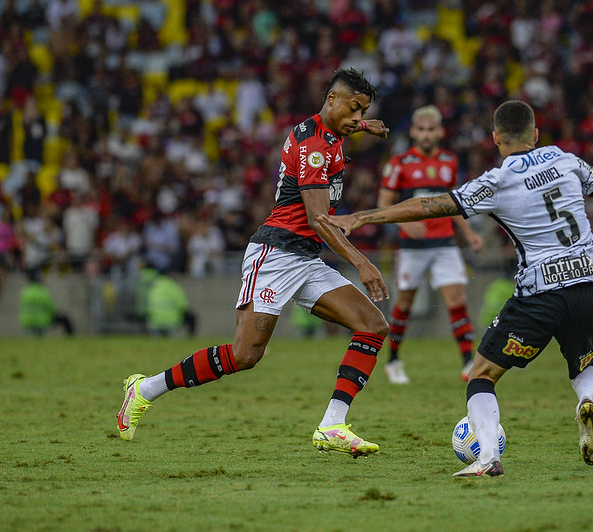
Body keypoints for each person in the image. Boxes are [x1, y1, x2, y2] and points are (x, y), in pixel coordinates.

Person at [320, 100, 593, 476]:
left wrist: (362, 216)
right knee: (585, 364)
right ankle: (587, 403)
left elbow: (431, 205)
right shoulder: (567, 160)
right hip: (591, 284)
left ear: (496, 138)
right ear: (536, 135)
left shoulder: (498, 180)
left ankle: (487, 458)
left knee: (481, 374)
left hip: (541, 293)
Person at [116, 68, 392, 458]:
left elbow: (338, 125)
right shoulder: (314, 145)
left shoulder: (330, 132)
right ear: (331, 99)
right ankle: (145, 389)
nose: (355, 117)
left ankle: (332, 424)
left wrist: (361, 124)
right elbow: (318, 219)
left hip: (307, 258)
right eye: (352, 108)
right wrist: (362, 263)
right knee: (245, 355)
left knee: (373, 325)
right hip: (276, 255)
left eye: (361, 111)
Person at [378, 105, 483, 384]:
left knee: (457, 300)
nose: (426, 135)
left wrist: (469, 233)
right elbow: (383, 205)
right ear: (413, 131)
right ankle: (393, 360)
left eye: (431, 129)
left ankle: (467, 362)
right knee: (404, 304)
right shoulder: (399, 163)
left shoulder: (449, 161)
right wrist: (403, 222)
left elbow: (453, 204)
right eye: (421, 129)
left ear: (440, 132)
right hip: (412, 247)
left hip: (444, 243)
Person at [18, 269, 74, 336]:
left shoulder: (25, 291)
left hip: (26, 321)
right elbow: (52, 309)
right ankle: (70, 337)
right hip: (41, 321)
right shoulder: (43, 291)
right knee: (64, 319)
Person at [146, 269, 197, 337]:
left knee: (156, 345)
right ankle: (190, 338)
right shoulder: (173, 286)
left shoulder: (154, 286)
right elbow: (183, 305)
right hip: (170, 321)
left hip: (154, 321)